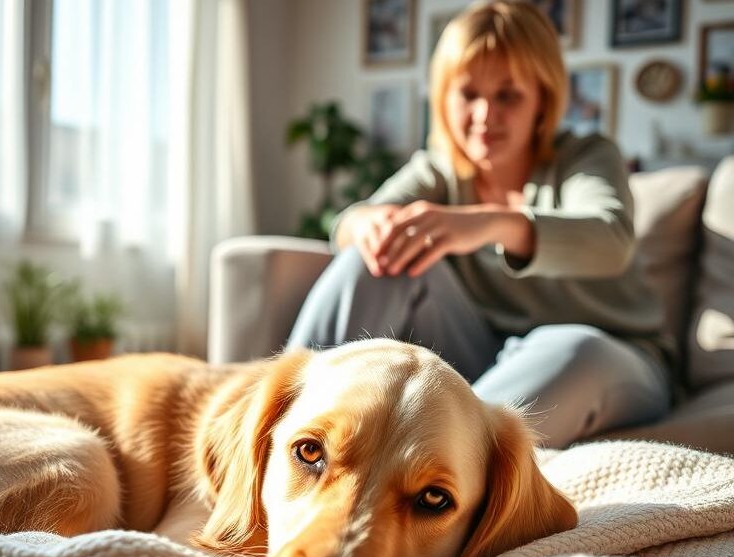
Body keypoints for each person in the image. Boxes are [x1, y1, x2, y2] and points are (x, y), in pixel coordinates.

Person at [286, 0, 672, 449]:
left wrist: (487, 224)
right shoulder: (438, 171)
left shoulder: (585, 156)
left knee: (573, 348)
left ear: (542, 101)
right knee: (375, 258)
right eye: (469, 94)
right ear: (445, 98)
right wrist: (367, 223)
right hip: (485, 358)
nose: (485, 115)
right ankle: (284, 430)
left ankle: (434, 464)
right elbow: (349, 227)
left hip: (612, 358)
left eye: (508, 95)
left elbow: (610, 240)